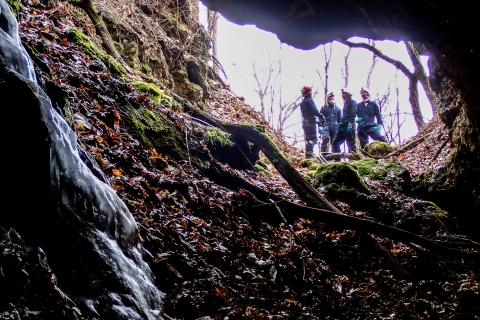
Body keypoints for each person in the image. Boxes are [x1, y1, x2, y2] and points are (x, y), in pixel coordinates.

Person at [300, 86, 325, 158]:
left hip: (305, 122)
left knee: (308, 139)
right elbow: (315, 111)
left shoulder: (302, 103)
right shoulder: (310, 101)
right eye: (310, 91)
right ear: (309, 92)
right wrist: (322, 116)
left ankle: (309, 155)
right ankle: (309, 156)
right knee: (313, 139)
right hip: (311, 122)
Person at [331, 88, 357, 154]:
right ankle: (337, 160)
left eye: (344, 94)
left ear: (348, 94)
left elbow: (353, 114)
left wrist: (350, 125)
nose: (342, 95)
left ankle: (353, 160)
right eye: (342, 94)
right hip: (342, 126)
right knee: (335, 143)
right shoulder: (345, 104)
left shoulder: (353, 102)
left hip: (349, 125)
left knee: (351, 144)